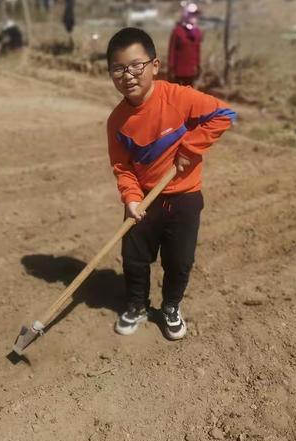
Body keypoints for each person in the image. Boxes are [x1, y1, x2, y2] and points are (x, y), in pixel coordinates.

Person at [106, 28, 236, 339]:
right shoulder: (117, 121)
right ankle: (136, 305)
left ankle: (171, 306)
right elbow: (122, 166)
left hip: (184, 198)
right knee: (135, 259)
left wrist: (190, 149)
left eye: (136, 65)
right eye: (118, 68)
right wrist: (131, 198)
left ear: (154, 65)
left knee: (180, 261)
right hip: (144, 200)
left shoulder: (179, 97)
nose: (128, 75)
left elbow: (224, 114)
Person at [168, 3, 203, 86]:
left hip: (191, 72)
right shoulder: (178, 31)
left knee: (188, 96)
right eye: (192, 14)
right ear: (186, 15)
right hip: (178, 73)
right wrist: (171, 68)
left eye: (195, 14)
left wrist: (198, 66)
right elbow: (172, 51)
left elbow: (197, 50)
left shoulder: (197, 32)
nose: (194, 17)